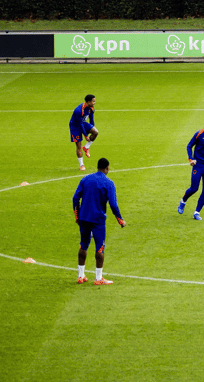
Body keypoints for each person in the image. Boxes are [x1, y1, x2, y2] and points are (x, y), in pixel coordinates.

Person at [73, 157, 125, 285]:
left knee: (83, 245)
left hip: (84, 218)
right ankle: (98, 278)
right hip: (98, 220)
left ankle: (81, 276)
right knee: (100, 248)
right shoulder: (108, 183)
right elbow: (113, 204)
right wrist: (120, 220)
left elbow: (75, 198)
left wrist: (77, 217)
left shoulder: (85, 179)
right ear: (107, 168)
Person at [69, 94, 98, 171]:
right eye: (93, 101)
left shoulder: (91, 108)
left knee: (95, 132)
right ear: (88, 102)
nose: (94, 103)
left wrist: (91, 128)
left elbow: (91, 119)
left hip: (83, 123)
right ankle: (81, 165)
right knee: (78, 145)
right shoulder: (79, 110)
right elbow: (80, 124)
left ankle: (86, 147)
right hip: (75, 126)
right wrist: (85, 135)